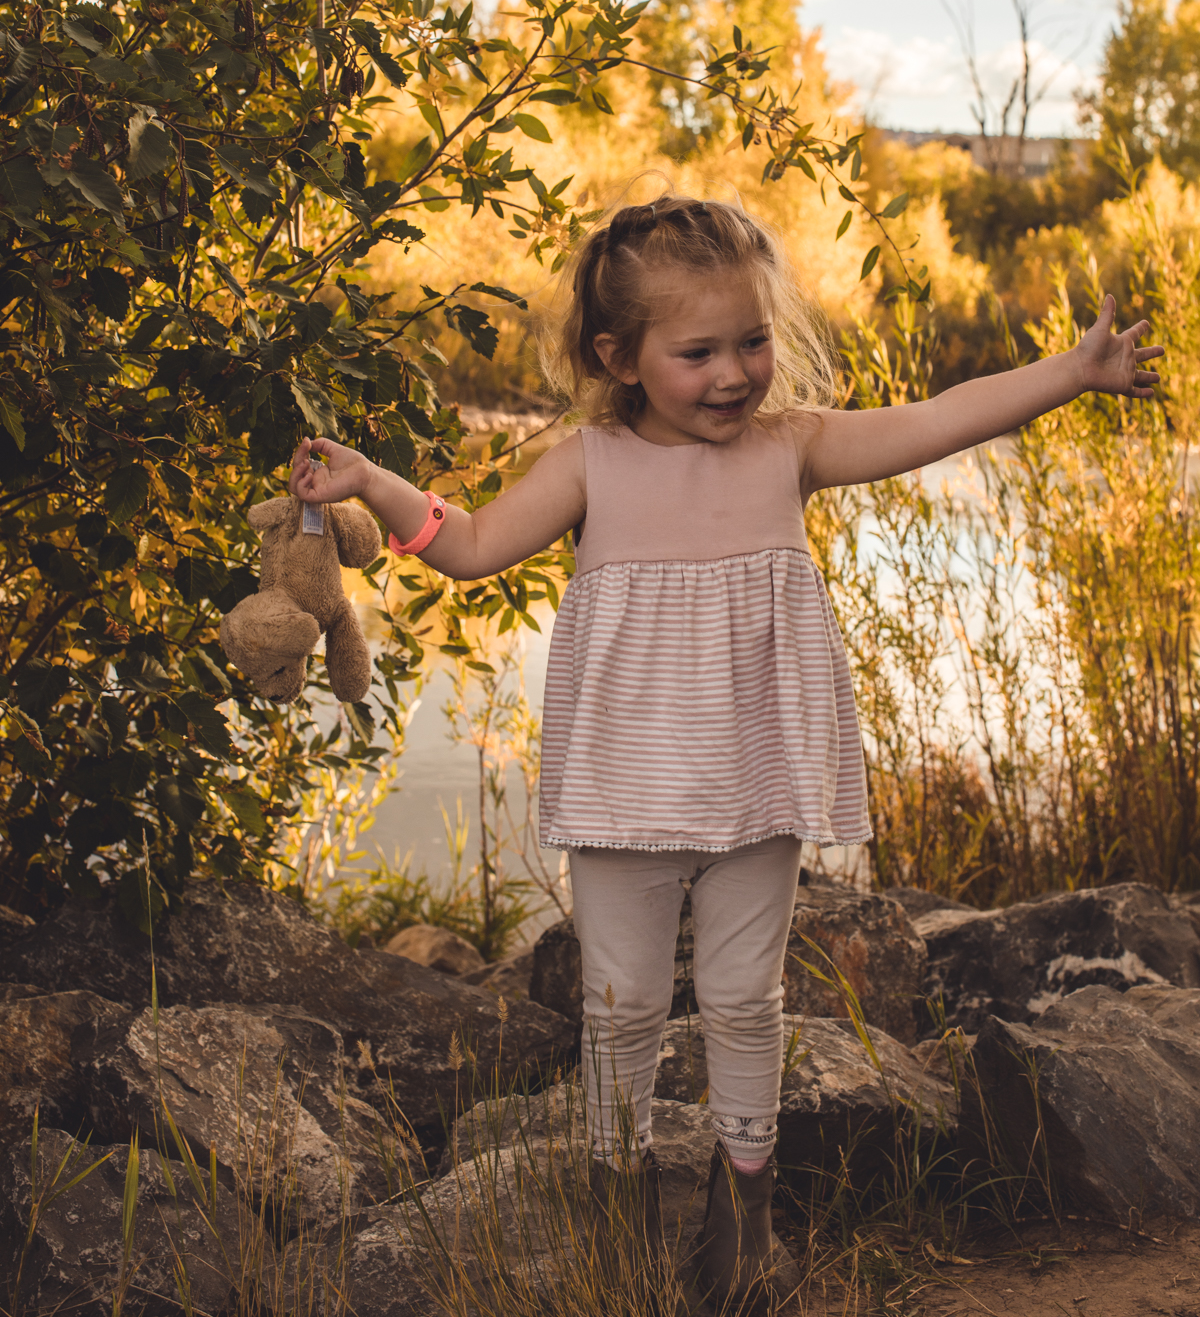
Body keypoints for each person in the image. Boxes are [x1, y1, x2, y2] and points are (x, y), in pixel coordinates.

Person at [288, 195, 1161, 1312]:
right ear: (622, 356)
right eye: (697, 352)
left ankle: (743, 1203)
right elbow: (467, 548)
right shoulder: (591, 461)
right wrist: (371, 482)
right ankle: (618, 1197)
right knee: (623, 1003)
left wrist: (1067, 371)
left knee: (748, 999)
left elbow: (942, 416)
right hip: (623, 785)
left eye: (750, 340)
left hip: (759, 775)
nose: (734, 373)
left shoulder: (791, 447)